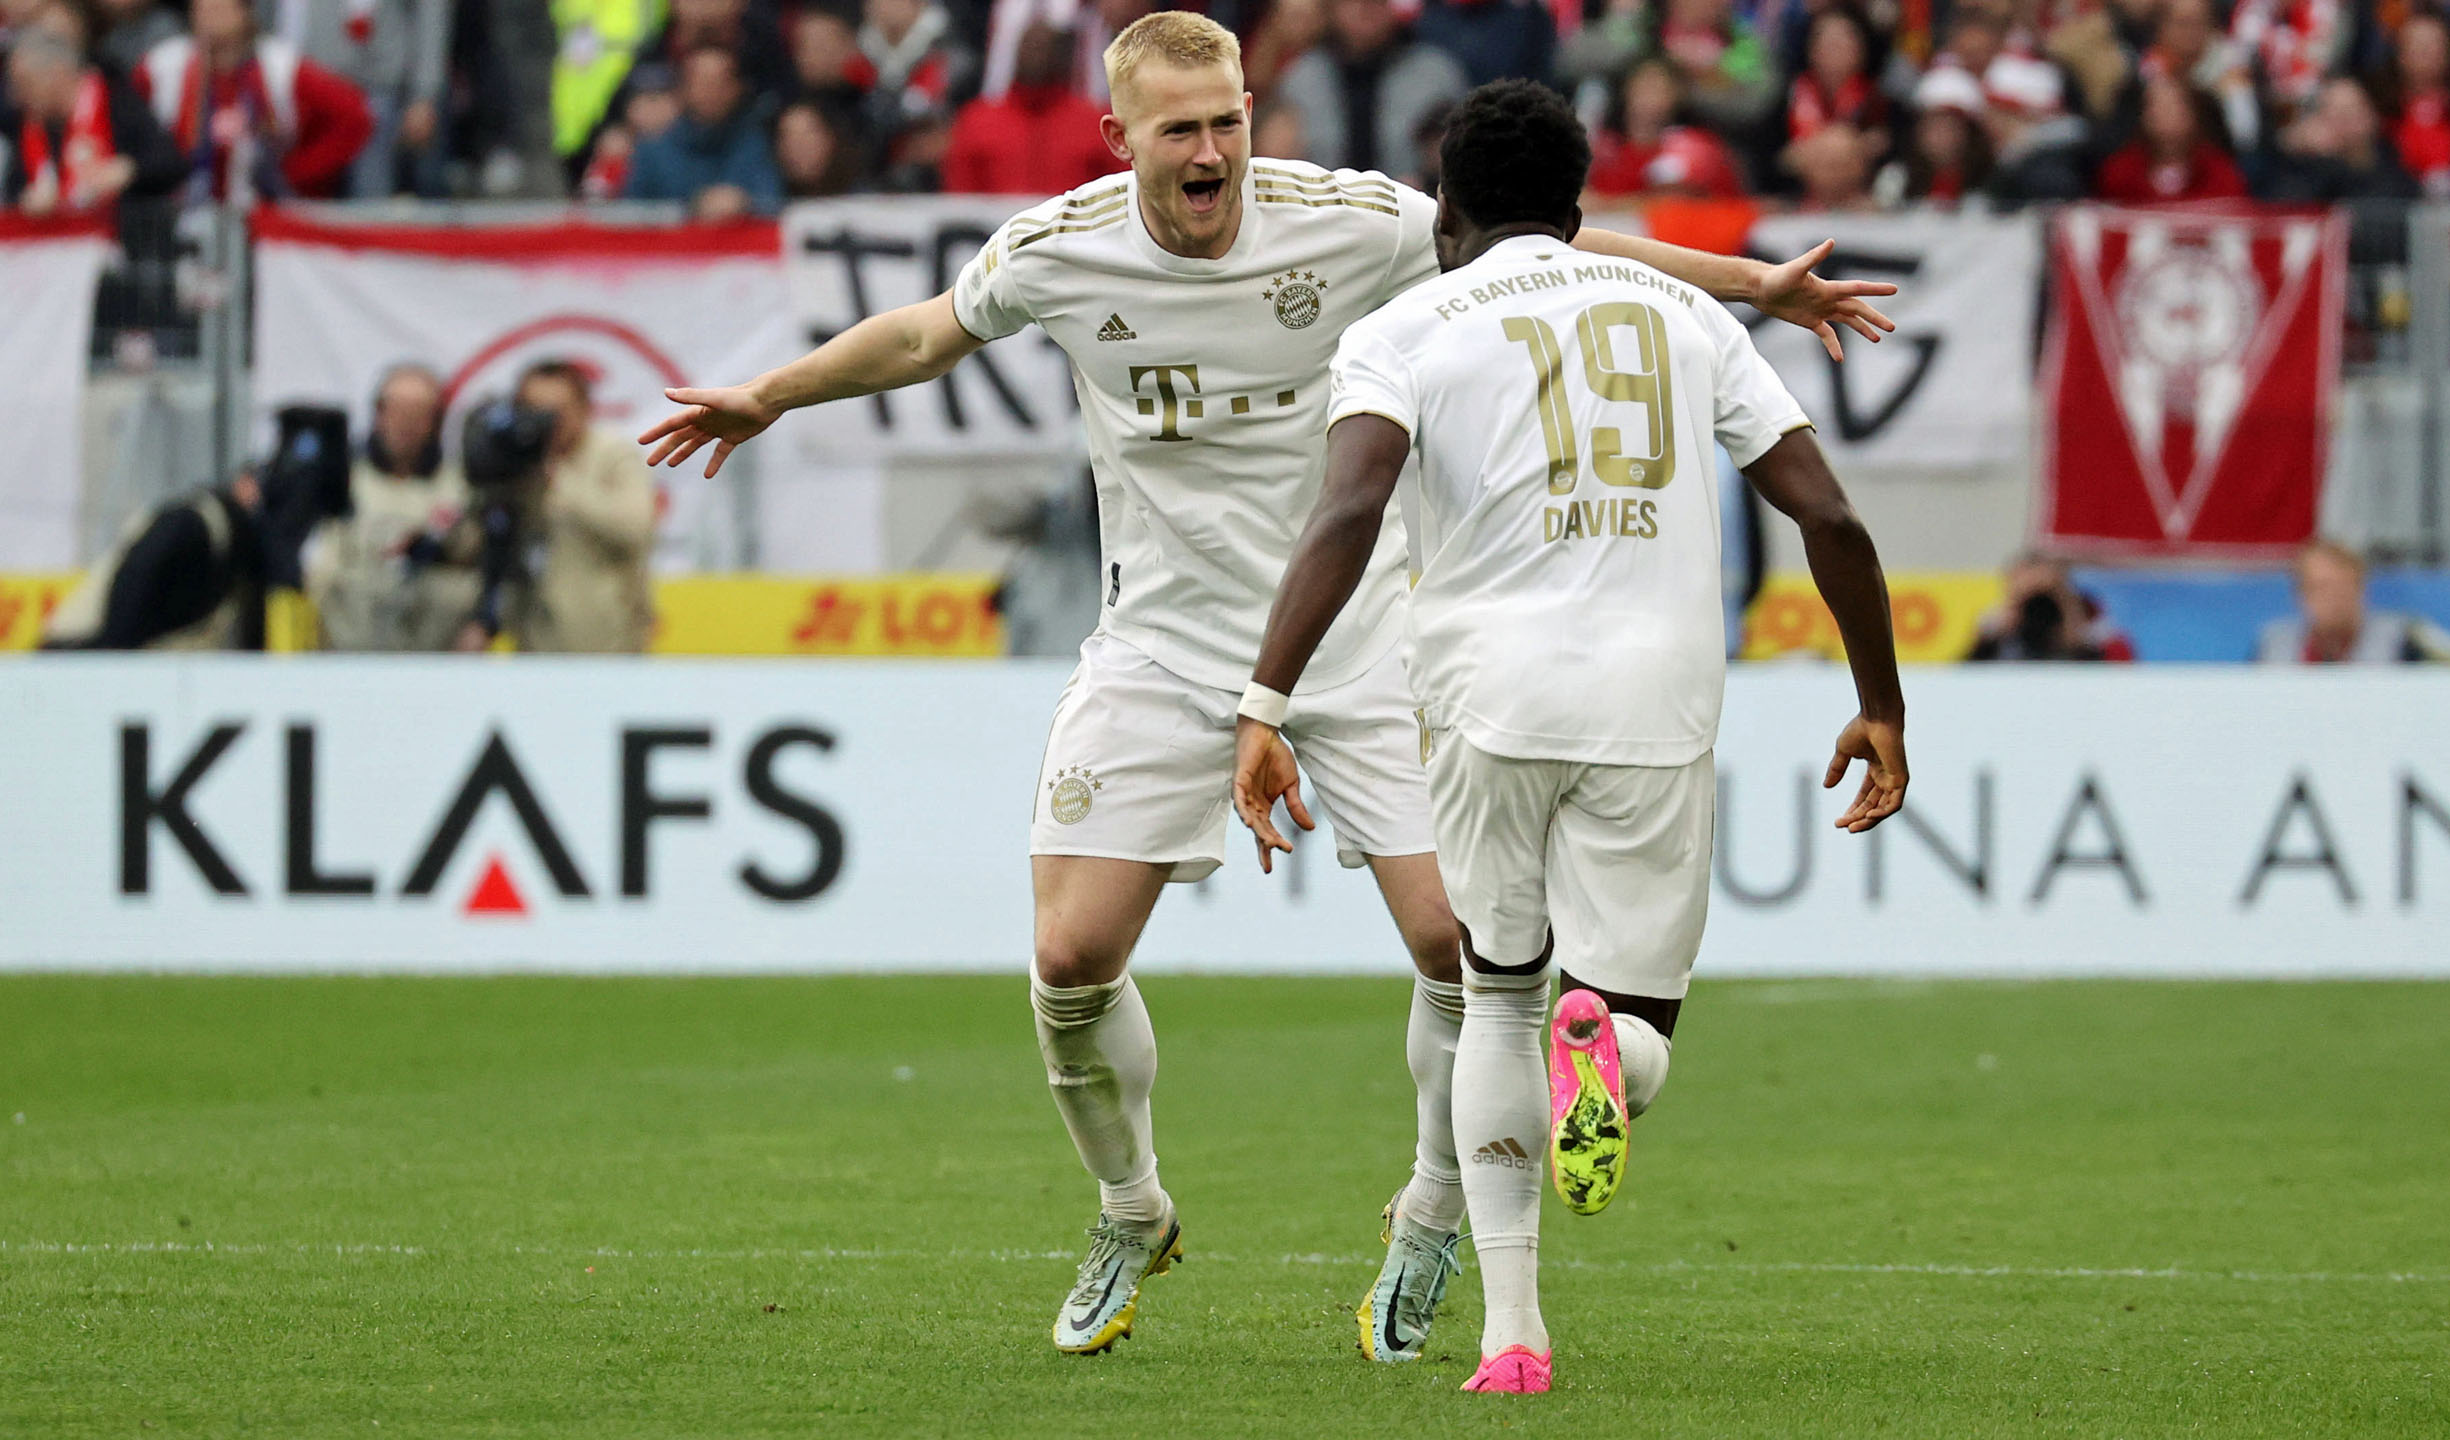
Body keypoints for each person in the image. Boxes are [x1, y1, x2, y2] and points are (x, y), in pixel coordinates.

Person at [636, 9, 1896, 1361]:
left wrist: (1748, 286)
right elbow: (922, 338)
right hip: (1160, 645)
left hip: (1360, 643)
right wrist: (772, 394)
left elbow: (1544, 254)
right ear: (1122, 138)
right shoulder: (1059, 249)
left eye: (1227, 120)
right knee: (1067, 961)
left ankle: (1426, 1211)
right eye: (1179, 128)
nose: (1212, 150)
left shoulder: (1345, 218)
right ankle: (1131, 1209)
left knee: (1453, 950)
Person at [1229, 79, 1907, 1394]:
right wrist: (1877, 699)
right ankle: (1603, 1045)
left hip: (1484, 697)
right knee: (1626, 1027)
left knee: (1493, 992)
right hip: (1652, 698)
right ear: (1581, 203)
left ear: (1447, 210)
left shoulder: (1403, 325)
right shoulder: (1683, 315)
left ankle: (1511, 1339)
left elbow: (1348, 510)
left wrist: (1262, 702)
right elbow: (1829, 520)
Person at [303, 363, 483, 653]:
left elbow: (476, 566)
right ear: (378, 415)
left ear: (435, 421)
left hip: (436, 656)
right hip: (351, 654)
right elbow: (319, 572)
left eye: (417, 413)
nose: (406, 424)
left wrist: (436, 547)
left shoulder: (461, 489)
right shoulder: (342, 484)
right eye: (396, 411)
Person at [492, 360, 659, 654]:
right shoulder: (514, 461)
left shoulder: (613, 455)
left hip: (607, 646)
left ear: (584, 409)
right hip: (533, 644)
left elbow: (636, 527)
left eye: (556, 411)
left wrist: (560, 481)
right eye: (533, 410)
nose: (546, 422)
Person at [133, 0, 374, 200]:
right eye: (200, 6)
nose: (207, 13)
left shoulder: (281, 67)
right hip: (177, 205)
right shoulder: (162, 66)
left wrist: (297, 174)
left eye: (219, 7)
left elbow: (357, 116)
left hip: (264, 209)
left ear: (245, 12)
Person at [3, 22, 184, 213]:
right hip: (60, 239)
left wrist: (127, 170)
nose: (17, 97)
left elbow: (171, 162)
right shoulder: (28, 125)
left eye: (25, 83)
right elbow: (14, 193)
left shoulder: (118, 101)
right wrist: (29, 201)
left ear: (58, 73)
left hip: (125, 232)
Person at [1274, 0, 1467, 175]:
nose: (1365, 8)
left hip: (1414, 202)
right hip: (1321, 205)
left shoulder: (1437, 74)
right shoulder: (1301, 76)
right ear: (1331, 9)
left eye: (1378, 2)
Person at [940, 21, 1119, 193]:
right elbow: (960, 201)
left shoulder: (1097, 126)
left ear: (1065, 56)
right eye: (1030, 46)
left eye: (1044, 47)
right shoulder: (976, 122)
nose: (1036, 54)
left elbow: (1120, 196)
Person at [624, 45, 781, 218]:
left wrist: (746, 203)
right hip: (672, 243)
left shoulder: (753, 144)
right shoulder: (652, 150)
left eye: (720, 83)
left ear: (736, 89)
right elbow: (630, 215)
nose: (711, 92)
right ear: (684, 89)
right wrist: (691, 209)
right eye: (702, 83)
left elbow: (774, 203)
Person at [2255, 540, 2450, 664]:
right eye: (2322, 587)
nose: (2334, 599)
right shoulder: (2275, 646)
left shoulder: (2405, 638)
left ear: (2361, 588)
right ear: (2301, 594)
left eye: (2343, 587)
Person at [2094, 71, 2245, 202]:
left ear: (2193, 115)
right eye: (2157, 107)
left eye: (2174, 108)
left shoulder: (2220, 173)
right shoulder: (2120, 173)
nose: (2165, 115)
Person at [1964, 552, 2135, 661]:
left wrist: (2067, 608)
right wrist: (1999, 630)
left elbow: (2118, 663)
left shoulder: (2089, 613)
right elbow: (1968, 670)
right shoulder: (1996, 620)